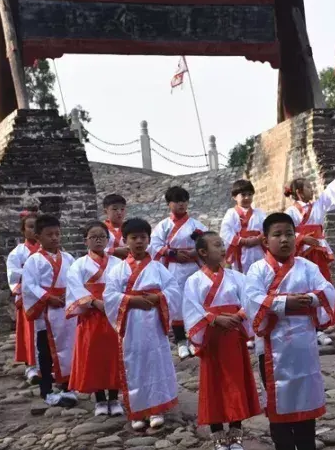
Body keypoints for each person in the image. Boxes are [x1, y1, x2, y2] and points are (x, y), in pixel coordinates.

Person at [245, 213, 335, 450]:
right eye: (277, 235)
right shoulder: (257, 270)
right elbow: (252, 299)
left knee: (306, 393)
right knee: (278, 399)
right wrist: (286, 302)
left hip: (303, 342)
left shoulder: (308, 267)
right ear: (265, 240)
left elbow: (327, 289)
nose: (284, 240)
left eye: (288, 234)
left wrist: (313, 299)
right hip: (272, 346)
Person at [183, 231, 261, 450]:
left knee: (236, 383)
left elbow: (249, 300)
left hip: (233, 335)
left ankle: (236, 435)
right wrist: (214, 319)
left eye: (222, 244)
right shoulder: (194, 281)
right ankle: (218, 436)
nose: (222, 248)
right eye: (216, 245)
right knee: (214, 386)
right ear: (203, 252)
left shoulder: (237, 277)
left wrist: (239, 315)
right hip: (212, 339)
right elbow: (191, 308)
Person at [103, 218, 181, 431]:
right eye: (133, 238)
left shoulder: (158, 268)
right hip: (131, 323)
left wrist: (159, 298)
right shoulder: (117, 270)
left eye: (143, 237)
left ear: (148, 240)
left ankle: (156, 408)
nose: (138, 241)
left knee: (155, 362)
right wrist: (130, 300)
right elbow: (109, 296)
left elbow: (173, 290)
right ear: (125, 240)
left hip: (154, 321)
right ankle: (137, 411)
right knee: (133, 364)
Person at [285, 155, 335, 346]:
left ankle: (320, 326)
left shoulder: (318, 205)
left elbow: (331, 192)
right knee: (303, 287)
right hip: (300, 254)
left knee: (321, 286)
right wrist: (301, 238)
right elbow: (287, 233)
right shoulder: (290, 213)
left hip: (318, 251)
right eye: (309, 187)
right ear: (299, 192)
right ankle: (306, 325)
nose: (313, 190)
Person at [65, 221, 123, 417]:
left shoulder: (118, 264)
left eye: (102, 236)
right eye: (93, 236)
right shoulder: (78, 265)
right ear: (85, 241)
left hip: (113, 314)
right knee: (94, 356)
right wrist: (94, 303)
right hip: (91, 315)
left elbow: (124, 286)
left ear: (108, 240)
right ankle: (99, 399)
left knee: (114, 356)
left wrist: (112, 302)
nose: (98, 240)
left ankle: (114, 397)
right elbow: (75, 287)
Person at [21, 214, 78, 408]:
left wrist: (69, 297)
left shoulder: (68, 258)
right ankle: (46, 390)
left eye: (57, 234)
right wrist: (48, 298)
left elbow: (74, 281)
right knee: (45, 351)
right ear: (38, 237)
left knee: (68, 348)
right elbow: (29, 286)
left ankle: (66, 386)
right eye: (49, 234)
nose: (54, 238)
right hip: (46, 312)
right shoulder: (33, 261)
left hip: (64, 309)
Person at [149, 186, 208, 360]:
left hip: (193, 267)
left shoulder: (196, 225)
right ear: (169, 204)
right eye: (177, 201)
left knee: (196, 300)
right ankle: (181, 341)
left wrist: (195, 252)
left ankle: (196, 339)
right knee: (176, 303)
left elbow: (207, 242)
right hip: (173, 268)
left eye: (184, 200)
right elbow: (155, 246)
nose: (181, 204)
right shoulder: (163, 226)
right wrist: (172, 253)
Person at [7, 209, 41, 385]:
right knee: (29, 332)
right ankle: (31, 366)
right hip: (29, 297)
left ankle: (48, 365)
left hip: (46, 297)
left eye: (36, 227)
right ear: (23, 230)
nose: (33, 230)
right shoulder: (17, 253)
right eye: (29, 227)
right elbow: (14, 275)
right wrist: (32, 278)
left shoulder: (47, 250)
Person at [220, 179, 266, 274]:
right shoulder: (231, 213)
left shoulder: (260, 213)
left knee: (260, 271)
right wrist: (243, 241)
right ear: (234, 197)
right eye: (243, 195)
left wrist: (259, 239)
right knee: (242, 275)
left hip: (258, 248)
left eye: (249, 194)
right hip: (241, 250)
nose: (247, 198)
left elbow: (267, 228)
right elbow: (225, 231)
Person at [102, 194, 129, 259]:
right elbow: (94, 248)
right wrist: (114, 251)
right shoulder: (100, 229)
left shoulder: (130, 228)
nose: (119, 212)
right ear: (105, 211)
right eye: (114, 209)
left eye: (122, 209)